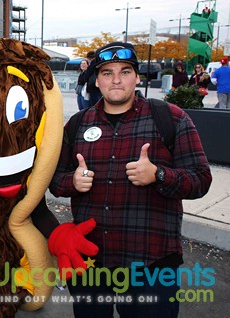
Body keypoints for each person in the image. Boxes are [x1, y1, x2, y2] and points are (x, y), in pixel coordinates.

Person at [49, 42, 212, 318]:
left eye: (125, 71)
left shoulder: (170, 118)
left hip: (151, 266)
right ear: (96, 80)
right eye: (107, 72)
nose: (116, 80)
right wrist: (72, 182)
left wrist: (158, 175)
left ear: (137, 77)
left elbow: (201, 179)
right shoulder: (77, 124)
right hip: (91, 264)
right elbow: (54, 179)